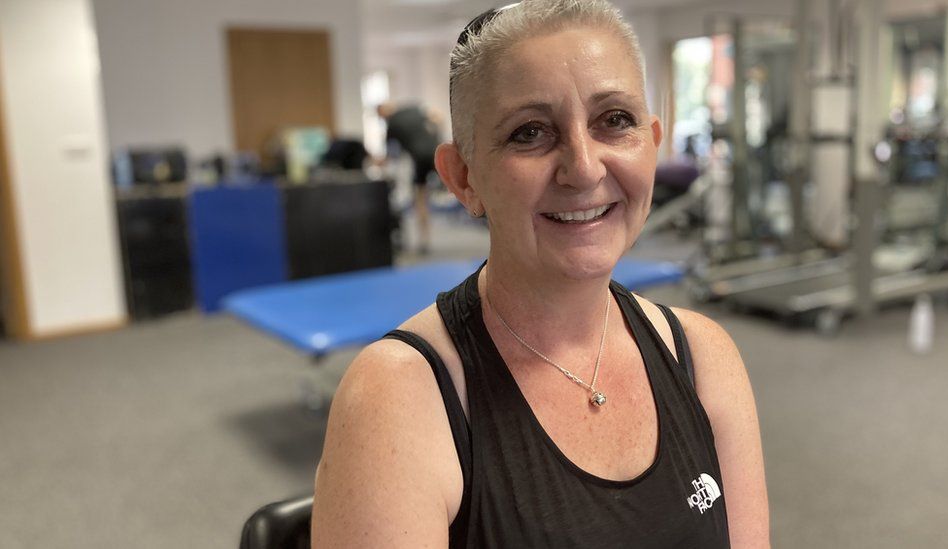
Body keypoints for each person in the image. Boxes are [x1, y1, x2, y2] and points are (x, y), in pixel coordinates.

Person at [313, 1, 769, 547]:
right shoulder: (398, 398)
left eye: (615, 121)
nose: (583, 168)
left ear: (651, 141)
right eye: (530, 132)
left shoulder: (704, 356)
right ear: (463, 178)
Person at [377, 102, 441, 254]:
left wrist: (379, 161)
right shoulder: (413, 108)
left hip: (420, 159)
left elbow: (389, 156)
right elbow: (437, 117)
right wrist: (436, 136)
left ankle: (424, 241)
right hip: (437, 151)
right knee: (463, 185)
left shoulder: (390, 126)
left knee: (420, 198)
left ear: (382, 113)